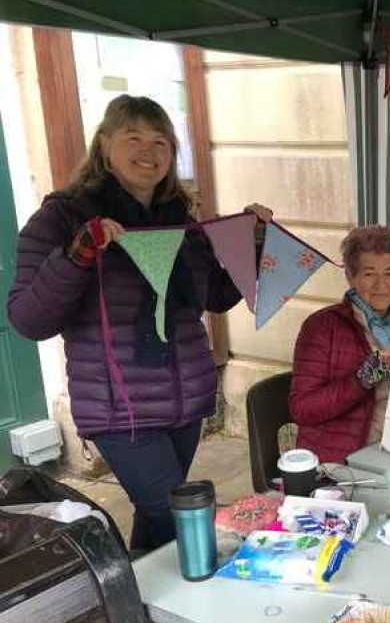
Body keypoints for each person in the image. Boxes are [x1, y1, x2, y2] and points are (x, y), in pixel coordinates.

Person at [7, 94, 271, 553]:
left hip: (185, 405)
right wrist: (79, 252)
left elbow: (217, 297)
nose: (148, 152)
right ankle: (188, 610)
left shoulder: (180, 220)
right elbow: (29, 319)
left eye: (161, 142)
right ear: (104, 146)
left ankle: (142, 609)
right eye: (133, 138)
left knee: (157, 519)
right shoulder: (63, 216)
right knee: (179, 513)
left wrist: (254, 243)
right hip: (119, 410)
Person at [289, 226, 390, 464]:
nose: (380, 285)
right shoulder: (322, 328)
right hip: (344, 462)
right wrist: (360, 382)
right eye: (369, 274)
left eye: (389, 273)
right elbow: (303, 410)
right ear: (351, 277)